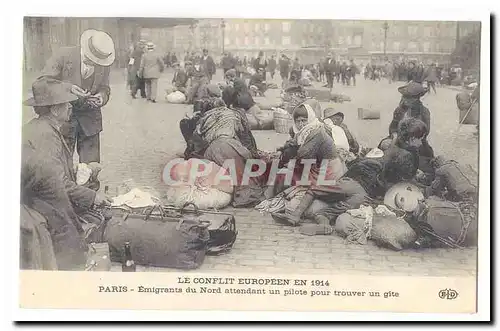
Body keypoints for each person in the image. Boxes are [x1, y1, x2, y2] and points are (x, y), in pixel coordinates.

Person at [22, 79, 112, 264]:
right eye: (67, 104)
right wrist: (91, 196)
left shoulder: (43, 127)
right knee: (74, 243)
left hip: (39, 193)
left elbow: (52, 172)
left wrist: (83, 170)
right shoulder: (45, 135)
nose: (71, 107)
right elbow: (56, 184)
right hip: (38, 201)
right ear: (55, 109)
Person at [39, 29, 115, 165]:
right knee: (61, 165)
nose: (96, 64)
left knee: (91, 168)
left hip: (90, 121)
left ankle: (89, 187)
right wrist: (68, 89)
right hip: (62, 119)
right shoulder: (63, 55)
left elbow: (105, 88)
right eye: (92, 60)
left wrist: (101, 97)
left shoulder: (104, 63)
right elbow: (42, 83)